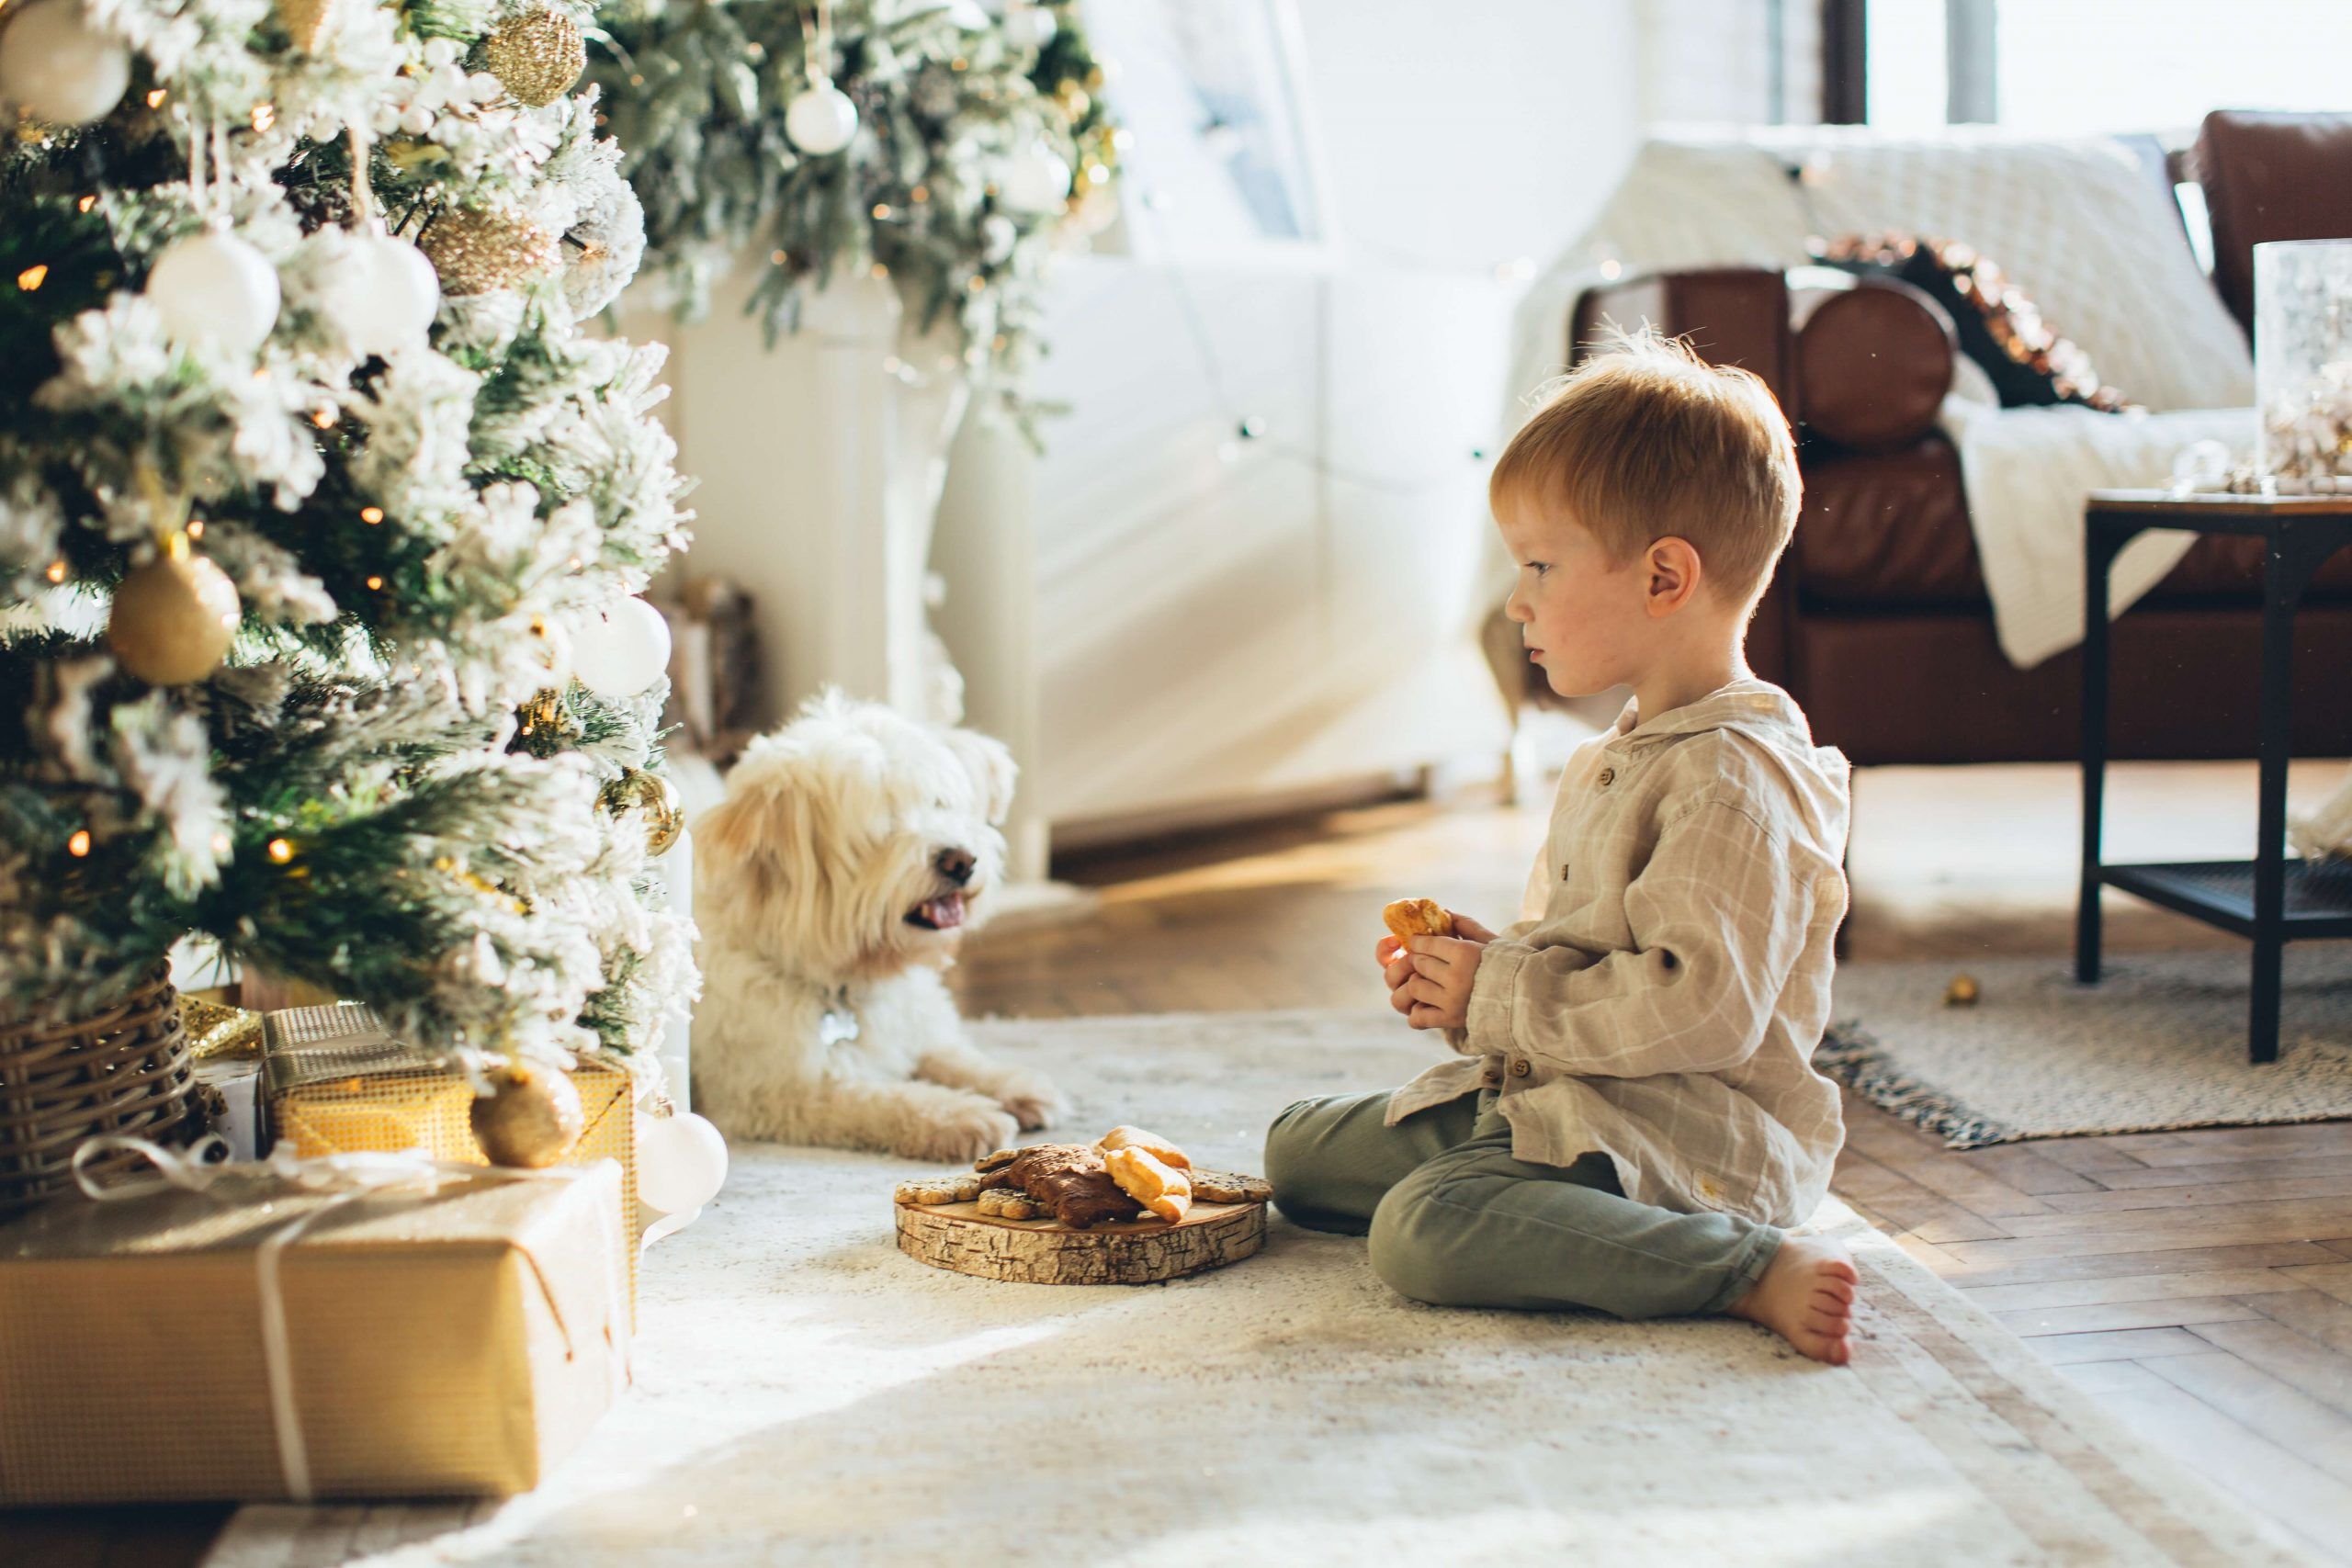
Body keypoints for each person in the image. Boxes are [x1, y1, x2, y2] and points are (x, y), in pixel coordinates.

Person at [1263, 330, 1859, 1363]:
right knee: (1297, 1151)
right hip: (1575, 1097)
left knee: (1424, 1232)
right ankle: (1527, 1206)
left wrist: (1497, 994)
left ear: (1664, 577)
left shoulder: (1732, 779)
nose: (1516, 599)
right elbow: (1602, 951)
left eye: (1540, 563)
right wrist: (1483, 971)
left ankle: (1738, 1266)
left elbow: (1700, 1012)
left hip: (1679, 1138)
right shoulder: (1628, 748)